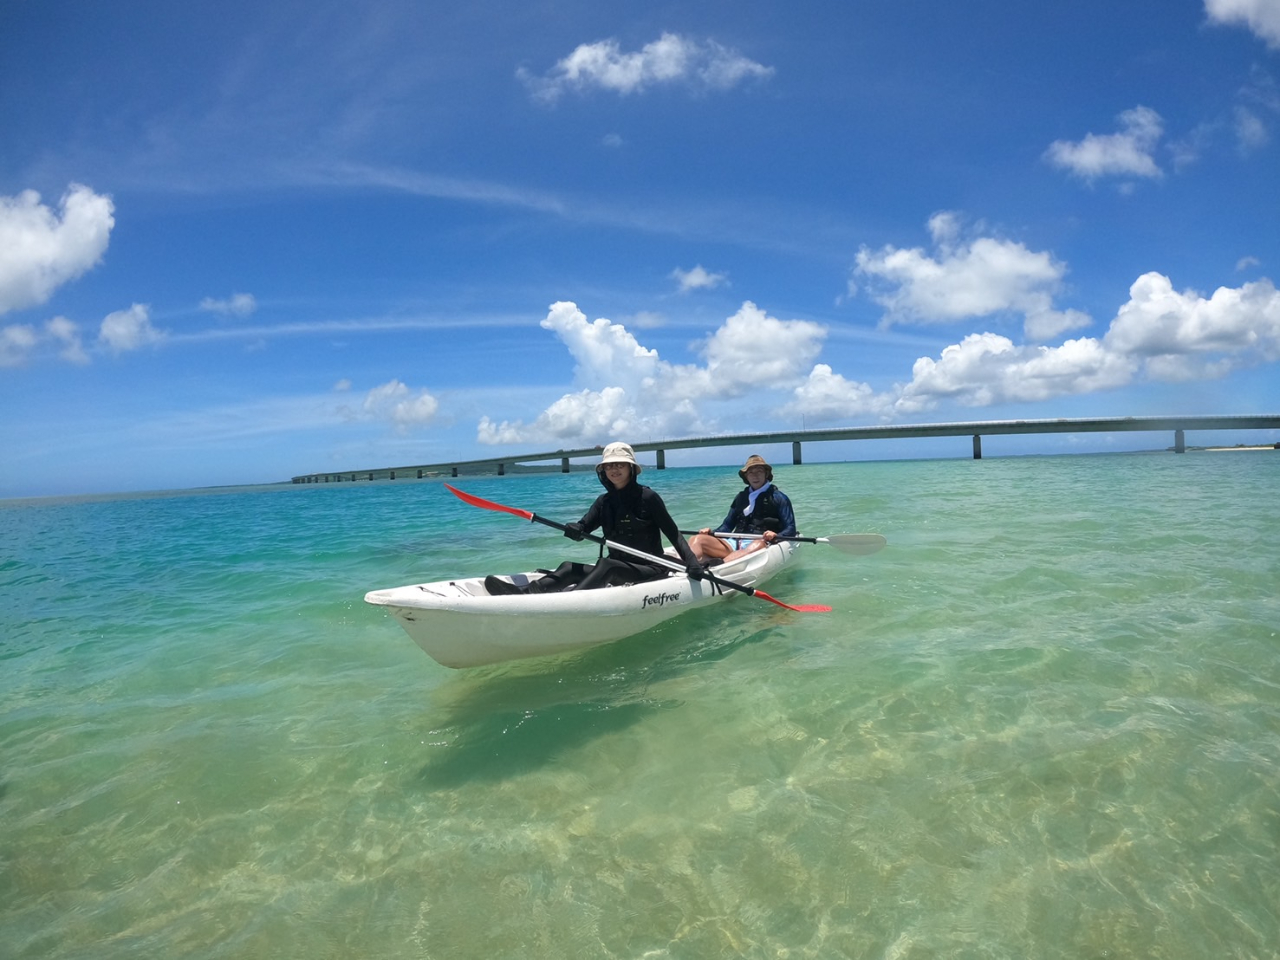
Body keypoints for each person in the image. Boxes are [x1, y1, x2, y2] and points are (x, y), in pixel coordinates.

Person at [484, 442, 704, 595]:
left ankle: (570, 602)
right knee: (569, 567)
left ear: (630, 468)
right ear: (603, 470)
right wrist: (574, 529)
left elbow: (672, 532)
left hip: (651, 568)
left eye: (619, 464)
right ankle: (527, 593)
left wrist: (692, 563)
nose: (614, 469)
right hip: (618, 567)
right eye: (609, 465)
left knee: (606, 565)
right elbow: (583, 529)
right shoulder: (604, 502)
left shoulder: (648, 497)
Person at [687, 454, 797, 564]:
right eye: (751, 472)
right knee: (697, 539)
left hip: (760, 543)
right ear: (746, 477)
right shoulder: (740, 497)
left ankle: (719, 566)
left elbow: (790, 528)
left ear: (766, 474)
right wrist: (710, 532)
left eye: (759, 471)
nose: (755, 476)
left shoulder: (779, 498)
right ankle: (689, 566)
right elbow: (727, 526)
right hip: (734, 542)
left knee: (757, 545)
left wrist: (776, 536)